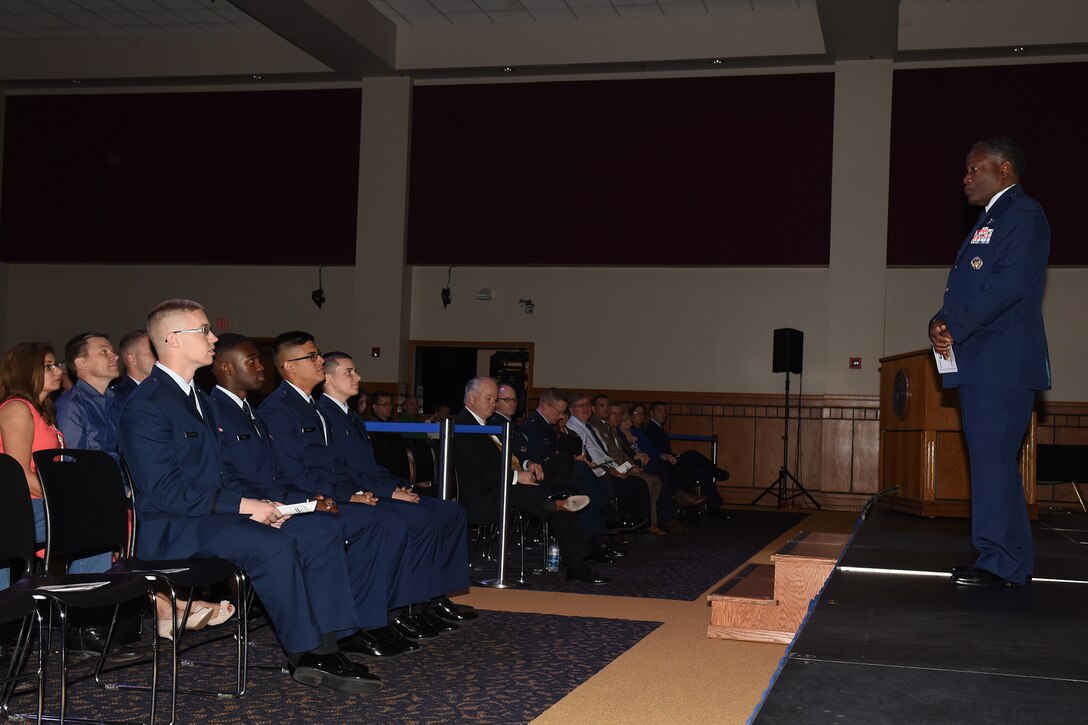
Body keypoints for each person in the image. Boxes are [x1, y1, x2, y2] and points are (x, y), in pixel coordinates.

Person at [118, 299, 382, 693]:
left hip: (213, 517)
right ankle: (307, 653)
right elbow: (165, 491)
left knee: (317, 532)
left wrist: (266, 506)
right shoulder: (146, 406)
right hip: (175, 528)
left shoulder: (199, 399)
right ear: (172, 340)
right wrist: (244, 507)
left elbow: (226, 474)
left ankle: (329, 644)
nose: (214, 338)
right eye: (204, 330)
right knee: (272, 547)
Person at [208, 334, 420, 659]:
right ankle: (331, 641)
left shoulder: (247, 409)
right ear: (225, 367)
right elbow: (233, 477)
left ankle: (361, 624)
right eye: (251, 360)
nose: (262, 366)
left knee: (368, 522)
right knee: (335, 528)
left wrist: (310, 500)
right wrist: (305, 501)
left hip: (281, 499)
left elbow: (279, 474)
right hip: (248, 511)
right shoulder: (222, 411)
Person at [258, 333, 469, 639]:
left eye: (319, 355)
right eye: (313, 357)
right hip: (311, 498)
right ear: (290, 366)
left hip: (336, 491)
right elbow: (297, 472)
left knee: (443, 513)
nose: (319, 360)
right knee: (391, 524)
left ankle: (415, 604)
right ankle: (375, 618)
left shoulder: (312, 407)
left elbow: (348, 467)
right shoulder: (280, 409)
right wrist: (352, 495)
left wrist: (390, 486)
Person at [929, 137, 1050, 588]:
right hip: (982, 361)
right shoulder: (991, 219)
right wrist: (938, 323)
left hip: (1003, 362)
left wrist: (954, 326)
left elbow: (1005, 286)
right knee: (991, 462)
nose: (965, 177)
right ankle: (1005, 559)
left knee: (993, 462)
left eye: (972, 168)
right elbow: (968, 289)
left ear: (1003, 169)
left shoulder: (1023, 214)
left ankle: (1001, 561)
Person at [453, 376, 608, 584]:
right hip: (486, 494)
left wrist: (526, 466)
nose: (494, 403)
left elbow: (508, 456)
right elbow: (479, 470)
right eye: (489, 398)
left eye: (494, 398)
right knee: (557, 502)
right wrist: (517, 476)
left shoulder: (483, 423)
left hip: (504, 484)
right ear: (471, 399)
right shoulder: (464, 426)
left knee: (561, 474)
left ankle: (560, 504)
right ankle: (575, 558)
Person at [0, 343, 113, 588]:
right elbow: (17, 471)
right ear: (26, 371)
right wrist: (61, 500)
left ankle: (86, 605)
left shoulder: (43, 413)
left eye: (57, 364)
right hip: (17, 507)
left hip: (35, 504)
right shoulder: (17, 408)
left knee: (97, 519)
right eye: (48, 366)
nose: (58, 370)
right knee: (92, 521)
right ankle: (84, 609)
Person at [644, 401, 728, 514]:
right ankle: (715, 470)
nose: (663, 414)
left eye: (665, 411)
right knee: (692, 454)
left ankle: (714, 506)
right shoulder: (651, 428)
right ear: (651, 413)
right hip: (665, 465)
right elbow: (657, 451)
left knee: (702, 472)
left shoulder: (658, 428)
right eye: (659, 411)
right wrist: (672, 456)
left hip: (670, 462)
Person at [55, 332, 122, 462]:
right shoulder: (71, 406)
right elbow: (74, 464)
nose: (115, 356)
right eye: (104, 352)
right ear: (81, 363)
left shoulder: (116, 399)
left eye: (112, 351)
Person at [113, 329, 157, 404]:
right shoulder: (118, 397)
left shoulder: (162, 388)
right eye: (152, 352)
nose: (157, 357)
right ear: (132, 359)